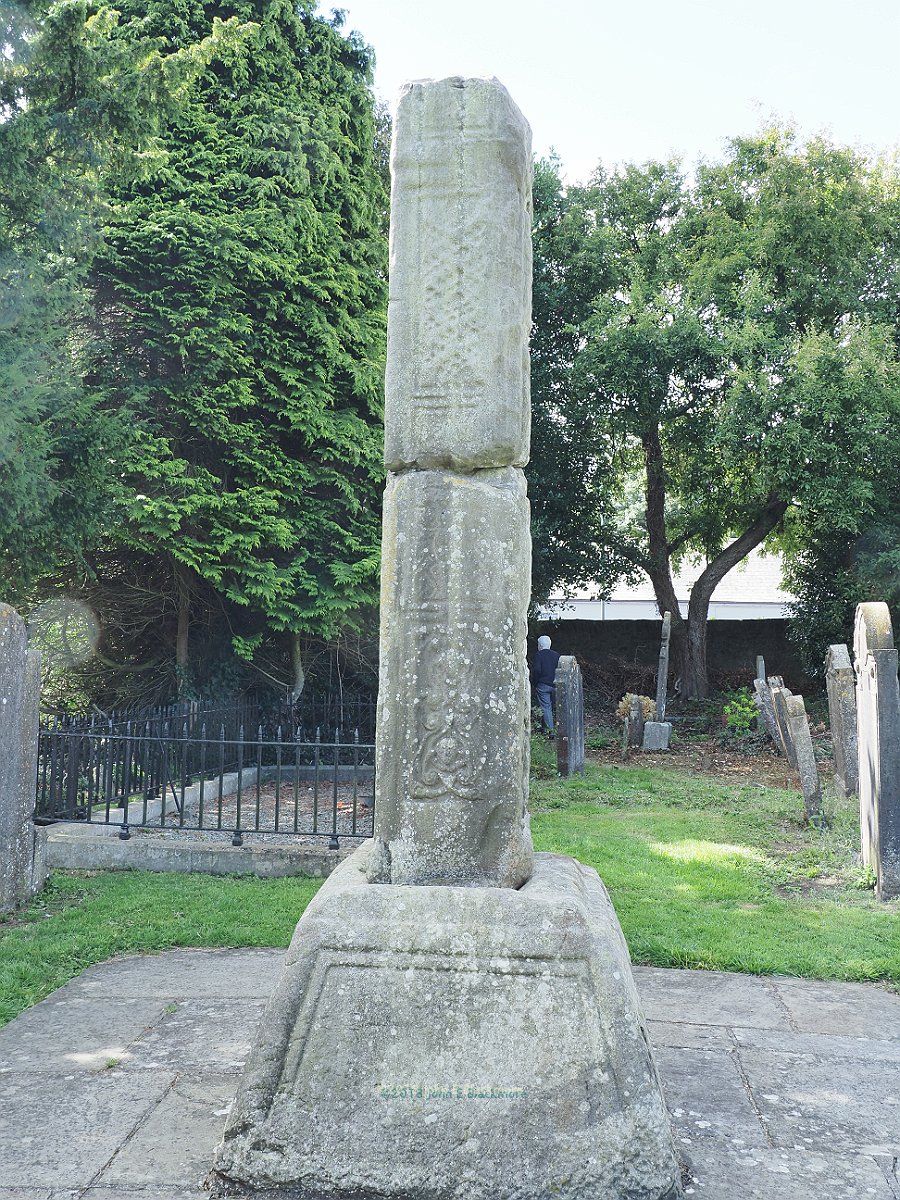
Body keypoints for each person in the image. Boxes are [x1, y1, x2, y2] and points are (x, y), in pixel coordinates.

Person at [532, 634, 561, 738]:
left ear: (539, 645)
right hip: (555, 685)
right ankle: (547, 729)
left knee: (545, 708)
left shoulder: (539, 655)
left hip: (543, 685)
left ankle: (550, 732)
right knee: (551, 708)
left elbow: (536, 670)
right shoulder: (556, 655)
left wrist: (535, 683)